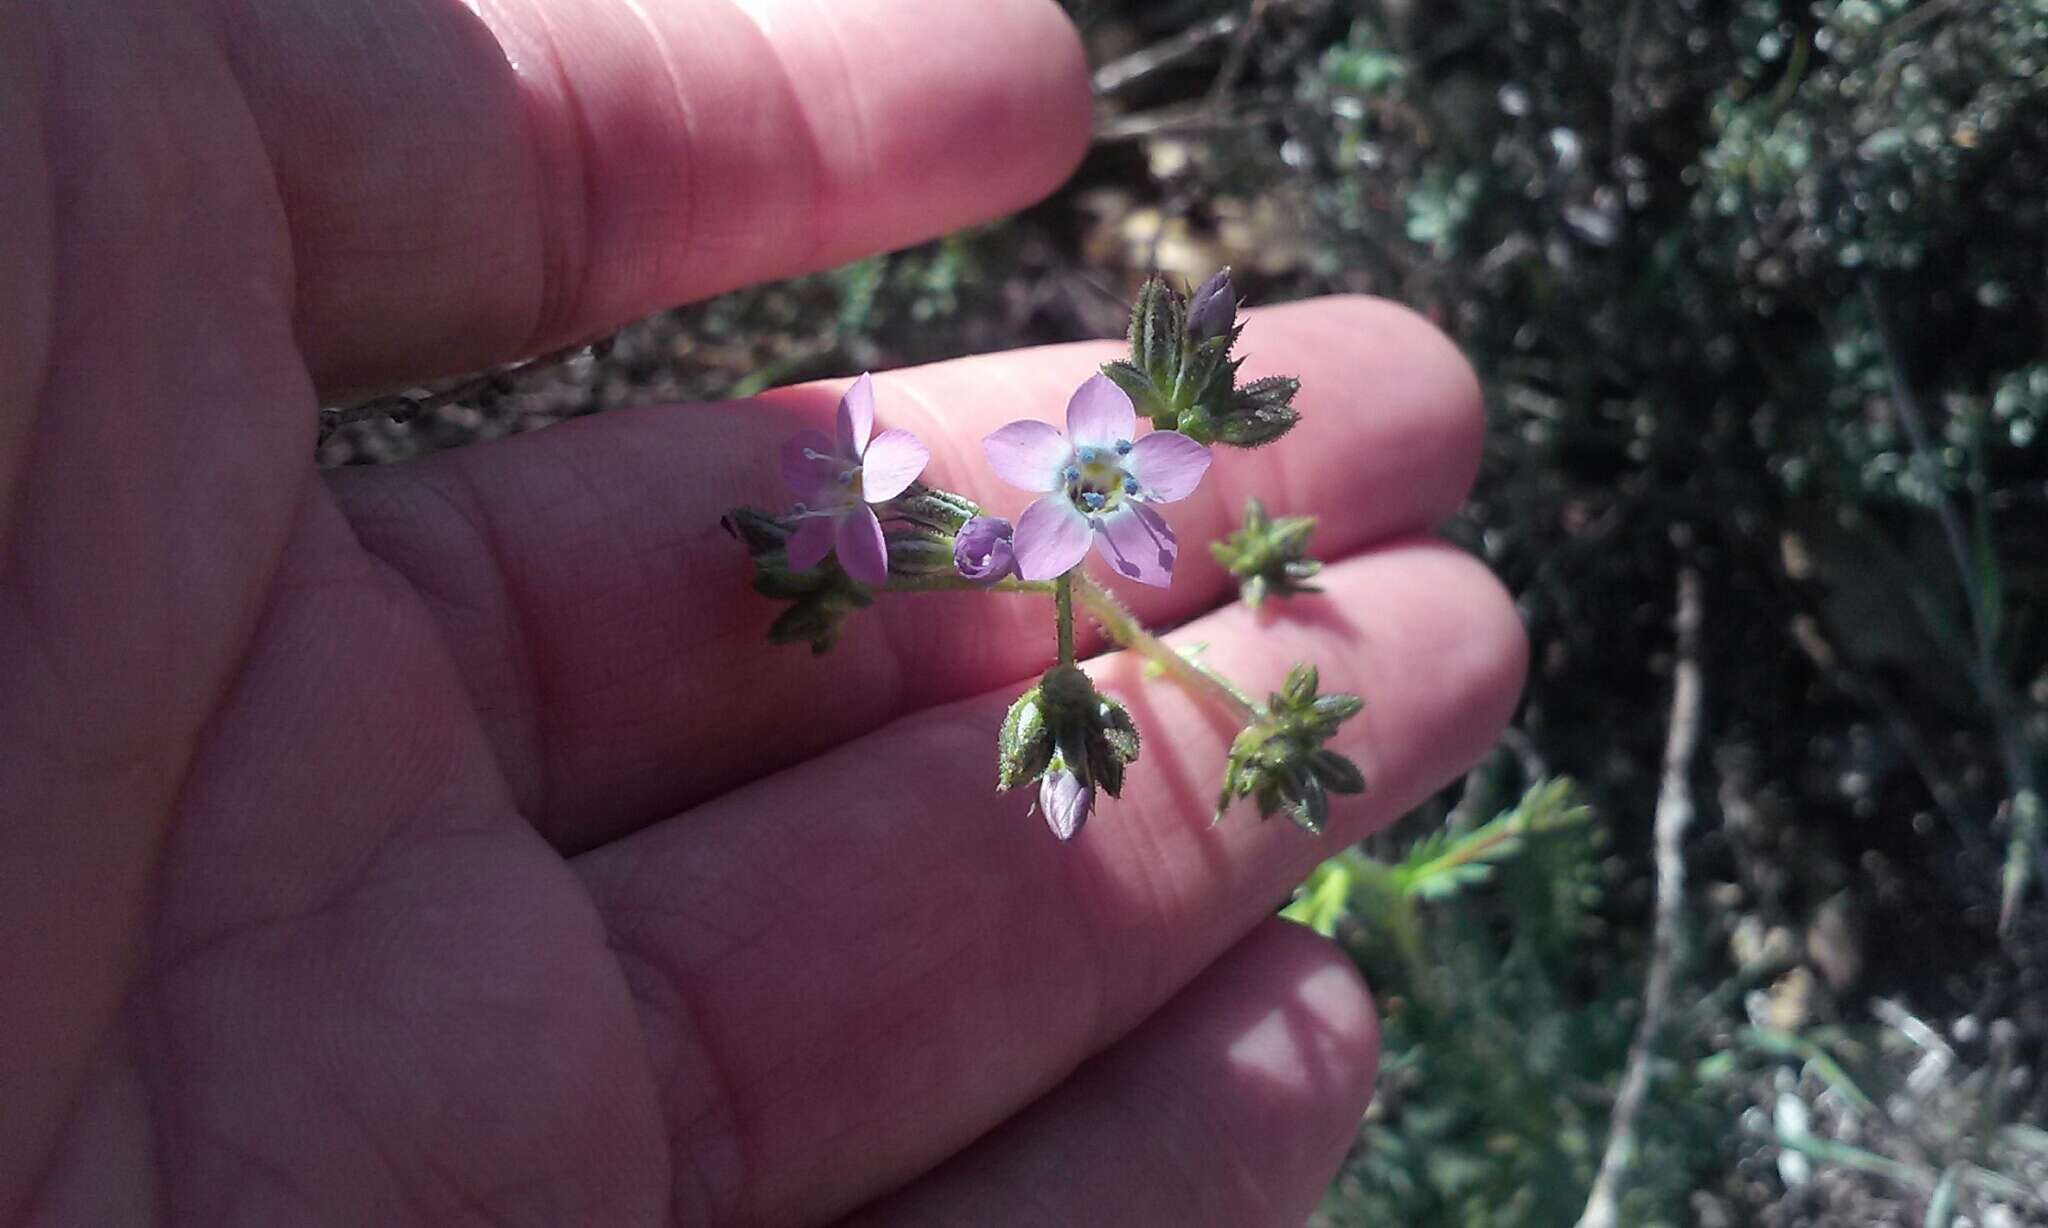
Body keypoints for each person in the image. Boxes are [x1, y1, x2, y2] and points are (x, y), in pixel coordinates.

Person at [0, 0, 1525, 1222]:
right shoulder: (1037, 489)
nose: (1118, 480)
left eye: (1126, 470)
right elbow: (990, 528)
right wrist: (934, 542)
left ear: (1137, 447)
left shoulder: (1113, 467)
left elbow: (1057, 505)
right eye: (1109, 472)